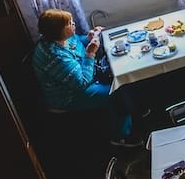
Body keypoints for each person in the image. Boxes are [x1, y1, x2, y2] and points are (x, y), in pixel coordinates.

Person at [30, 9, 140, 147]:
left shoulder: (60, 38)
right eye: (69, 24)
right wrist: (90, 54)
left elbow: (76, 43)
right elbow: (81, 82)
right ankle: (121, 136)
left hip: (85, 78)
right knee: (116, 91)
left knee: (122, 74)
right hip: (69, 95)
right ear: (59, 30)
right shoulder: (55, 56)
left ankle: (131, 111)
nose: (73, 24)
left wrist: (88, 37)